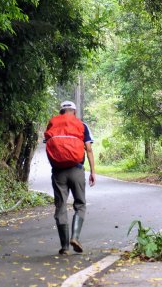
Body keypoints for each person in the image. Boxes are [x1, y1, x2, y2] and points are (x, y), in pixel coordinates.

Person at [44, 100, 96, 255]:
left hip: (58, 171)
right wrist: (93, 171)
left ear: (61, 112)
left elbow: (49, 144)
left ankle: (65, 247)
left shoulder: (52, 124)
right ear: (74, 111)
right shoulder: (81, 125)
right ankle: (75, 237)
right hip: (77, 169)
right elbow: (89, 149)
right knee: (80, 204)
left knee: (60, 206)